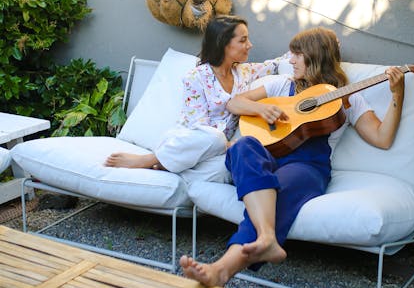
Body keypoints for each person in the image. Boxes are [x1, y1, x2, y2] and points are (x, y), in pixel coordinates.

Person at [180, 26, 405, 287]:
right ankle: (266, 237)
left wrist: (397, 94)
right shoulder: (282, 84)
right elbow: (234, 103)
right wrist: (261, 111)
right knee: (242, 147)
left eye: (297, 54)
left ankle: (221, 269)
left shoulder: (347, 98)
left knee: (281, 189)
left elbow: (382, 137)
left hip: (306, 166)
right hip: (267, 156)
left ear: (315, 56)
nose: (291, 60)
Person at [104, 15, 287, 173]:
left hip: (212, 149)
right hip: (189, 139)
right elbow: (197, 126)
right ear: (223, 43)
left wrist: (301, 53)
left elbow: (276, 64)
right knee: (214, 137)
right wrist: (226, 144)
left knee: (221, 146)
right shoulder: (196, 77)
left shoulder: (244, 72)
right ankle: (149, 160)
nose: (250, 45)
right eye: (243, 40)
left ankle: (168, 163)